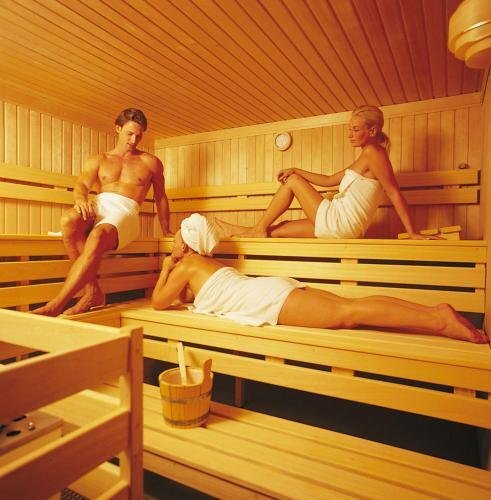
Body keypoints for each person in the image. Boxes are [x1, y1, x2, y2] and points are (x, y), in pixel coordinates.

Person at [151, 214, 488, 344]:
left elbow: (159, 303)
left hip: (268, 300)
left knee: (348, 314)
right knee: (350, 308)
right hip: (270, 290)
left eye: (177, 236)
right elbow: (187, 299)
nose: (174, 240)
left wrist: (166, 266)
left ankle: (438, 321)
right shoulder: (204, 263)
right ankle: (436, 313)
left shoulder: (186, 266)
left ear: (187, 243)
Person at [215, 105, 436, 240]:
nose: (350, 134)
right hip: (342, 225)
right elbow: (329, 180)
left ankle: (257, 229)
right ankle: (234, 230)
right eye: (349, 129)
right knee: (280, 229)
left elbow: (394, 193)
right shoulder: (366, 156)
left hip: (341, 222)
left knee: (292, 181)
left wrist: (412, 232)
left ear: (372, 130)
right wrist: (297, 168)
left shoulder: (374, 153)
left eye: (355, 129)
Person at [33, 108, 171, 316]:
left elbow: (160, 196)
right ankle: (92, 292)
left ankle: (56, 305)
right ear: (118, 128)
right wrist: (81, 200)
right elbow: (82, 184)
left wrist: (166, 229)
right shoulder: (99, 159)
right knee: (68, 220)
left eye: (139, 136)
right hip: (101, 204)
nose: (134, 140)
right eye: (130, 134)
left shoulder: (150, 162)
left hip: (126, 211)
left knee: (97, 235)